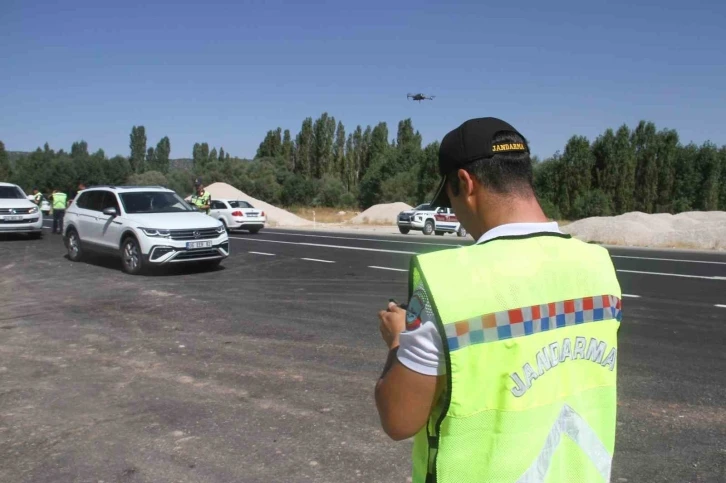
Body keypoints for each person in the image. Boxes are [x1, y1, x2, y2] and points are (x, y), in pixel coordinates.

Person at [375, 117, 622, 483]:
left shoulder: (449, 283)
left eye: (451, 200)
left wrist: (397, 342)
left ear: (465, 183)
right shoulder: (598, 264)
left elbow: (399, 420)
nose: (456, 215)